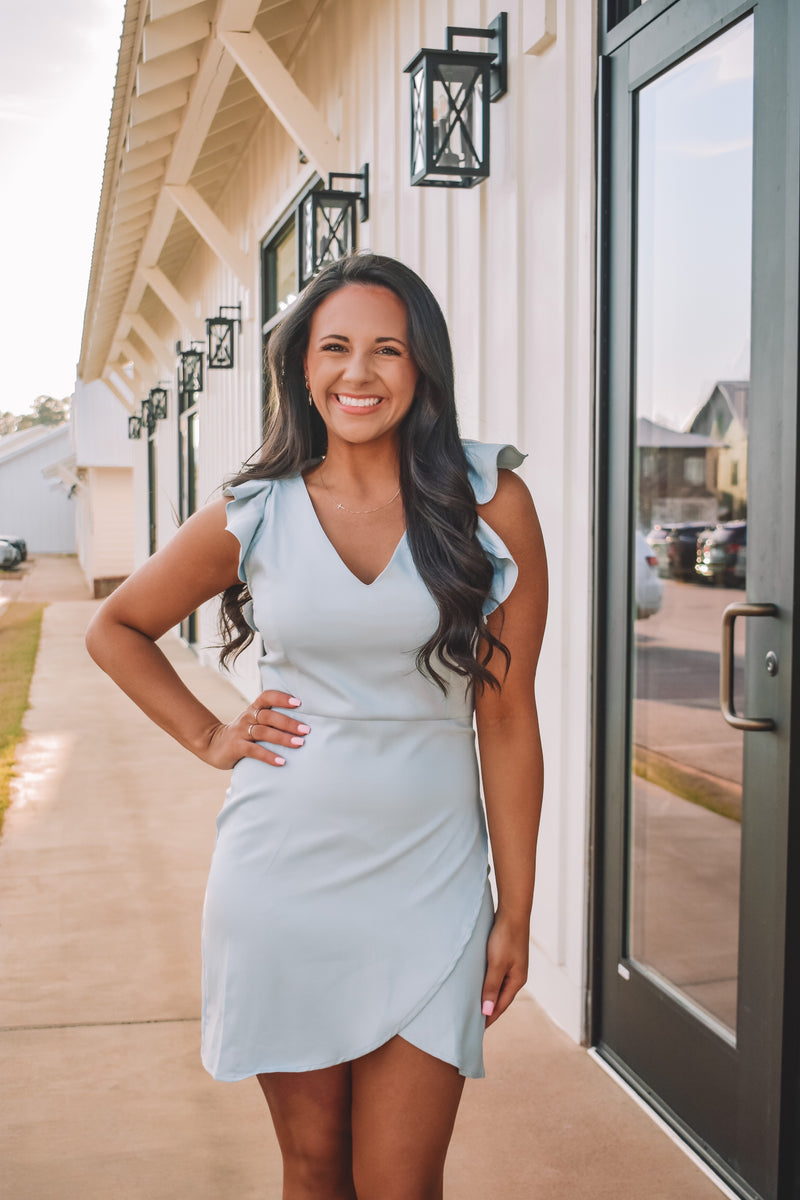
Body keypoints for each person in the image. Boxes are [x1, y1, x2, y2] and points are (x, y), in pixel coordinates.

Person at [85, 252, 547, 1200]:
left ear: (423, 370)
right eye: (334, 348)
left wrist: (518, 907)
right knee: (312, 1168)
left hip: (434, 880)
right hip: (282, 879)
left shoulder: (488, 503)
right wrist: (211, 736)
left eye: (388, 350)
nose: (359, 373)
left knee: (401, 1181)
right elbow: (117, 626)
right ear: (302, 367)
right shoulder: (257, 512)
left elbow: (506, 718)